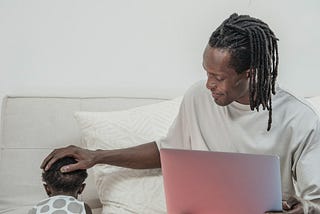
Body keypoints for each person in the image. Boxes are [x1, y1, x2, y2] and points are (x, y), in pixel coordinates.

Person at [41, 13, 320, 213]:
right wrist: (97, 156)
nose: (209, 84)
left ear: (250, 74)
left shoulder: (299, 118)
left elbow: (314, 200)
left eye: (218, 77)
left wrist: (302, 210)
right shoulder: (199, 97)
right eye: (206, 72)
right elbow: (167, 152)